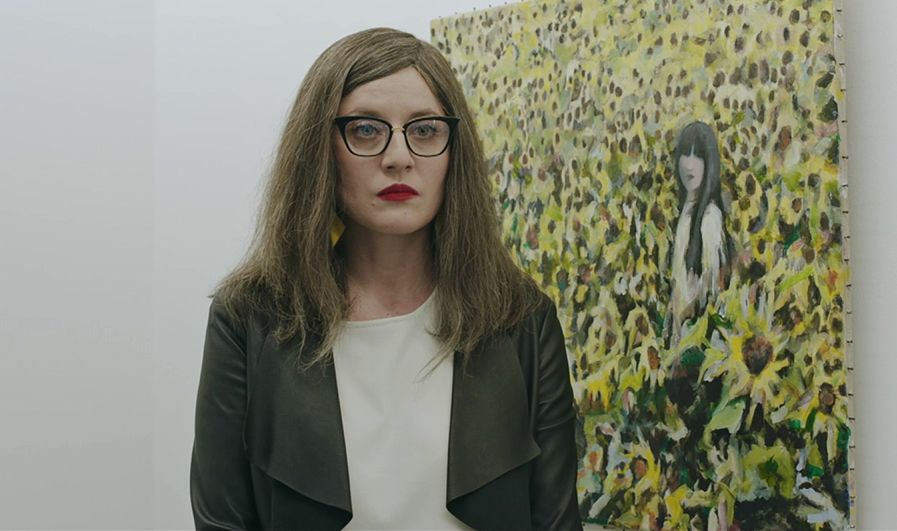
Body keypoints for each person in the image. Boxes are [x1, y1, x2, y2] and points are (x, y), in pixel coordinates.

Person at [190, 27, 582, 531]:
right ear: (320, 149)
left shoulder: (521, 318)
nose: (399, 157)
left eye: (425, 129)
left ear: (454, 151)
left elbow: (555, 521)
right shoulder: (249, 319)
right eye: (366, 130)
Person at [664, 121, 732, 346]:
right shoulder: (686, 212)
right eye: (686, 154)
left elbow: (711, 296)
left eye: (698, 156)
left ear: (709, 163)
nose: (689, 165)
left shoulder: (710, 217)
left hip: (700, 342)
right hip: (682, 341)